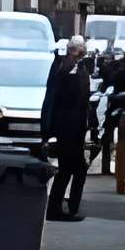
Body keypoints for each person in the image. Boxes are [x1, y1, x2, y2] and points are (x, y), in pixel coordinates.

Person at [40, 37, 93, 220]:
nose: (84, 51)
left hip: (74, 127)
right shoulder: (66, 67)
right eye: (81, 48)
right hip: (67, 127)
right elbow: (55, 97)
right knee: (71, 168)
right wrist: (48, 131)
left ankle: (67, 207)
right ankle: (60, 209)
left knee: (73, 168)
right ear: (74, 50)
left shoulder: (79, 67)